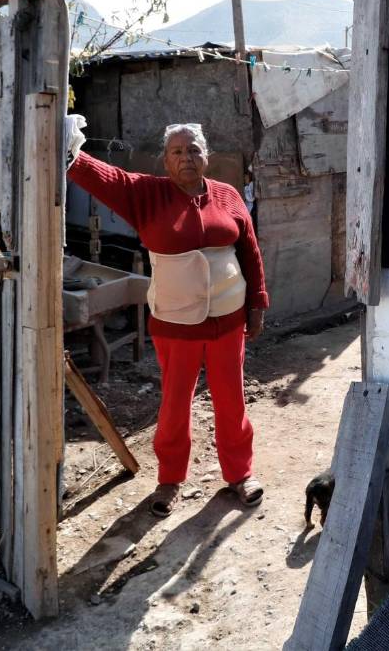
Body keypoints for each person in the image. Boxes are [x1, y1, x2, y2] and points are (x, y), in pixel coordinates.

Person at [65, 117, 269, 516]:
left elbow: (250, 251)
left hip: (228, 320)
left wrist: (257, 303)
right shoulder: (147, 194)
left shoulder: (227, 195)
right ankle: (170, 480)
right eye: (177, 151)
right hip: (176, 325)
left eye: (193, 149)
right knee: (175, 404)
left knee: (232, 400)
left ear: (206, 156)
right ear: (165, 160)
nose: (186, 157)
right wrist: (69, 151)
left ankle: (240, 474)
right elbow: (106, 178)